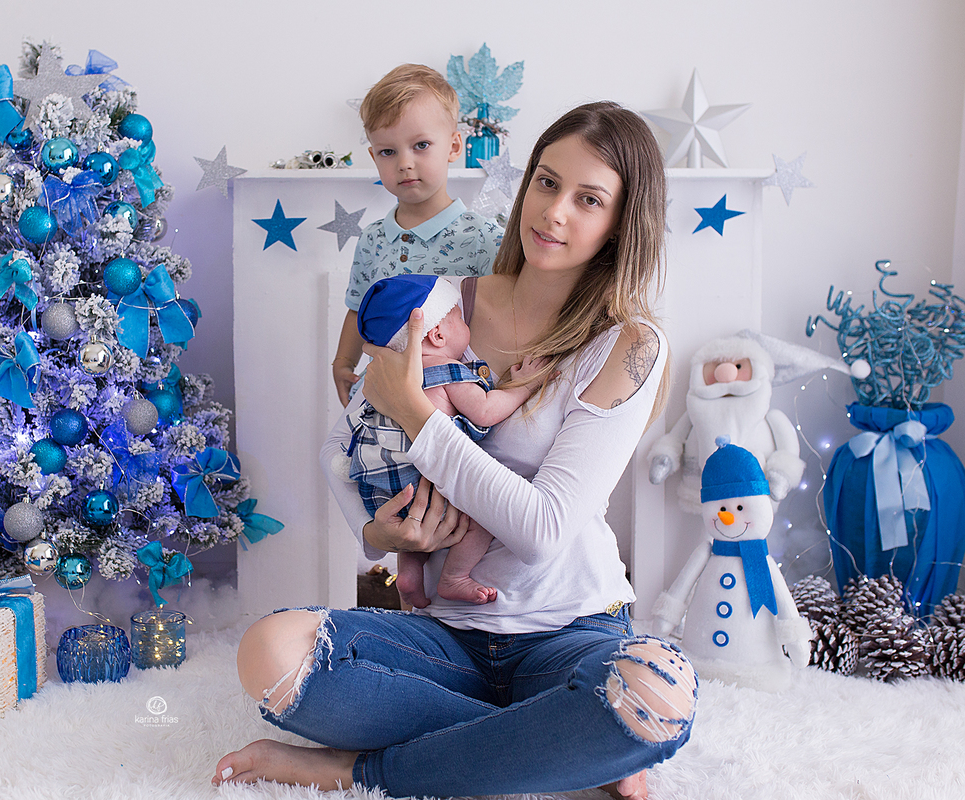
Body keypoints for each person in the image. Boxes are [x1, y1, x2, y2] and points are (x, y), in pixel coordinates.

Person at [215, 101, 697, 800]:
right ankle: (554, 743)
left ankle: (361, 771)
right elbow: (346, 438)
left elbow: (542, 530)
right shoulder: (441, 303)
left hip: (573, 630)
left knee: (656, 690)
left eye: (588, 199)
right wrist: (377, 533)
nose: (554, 212)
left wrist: (418, 413)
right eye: (546, 182)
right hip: (446, 637)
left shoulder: (628, 343)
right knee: (270, 652)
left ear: (623, 222)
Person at [345, 273, 551, 608]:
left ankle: (409, 577)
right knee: (485, 518)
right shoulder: (448, 370)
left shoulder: (386, 378)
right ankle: (454, 577)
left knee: (410, 528)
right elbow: (484, 411)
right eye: (458, 317)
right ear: (438, 334)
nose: (465, 322)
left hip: (378, 487)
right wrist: (524, 386)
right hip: (420, 477)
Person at [332, 64, 503, 407]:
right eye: (388, 151)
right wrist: (343, 363)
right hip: (380, 393)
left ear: (454, 145)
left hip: (456, 396)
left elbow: (503, 319)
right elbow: (358, 309)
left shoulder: (485, 238)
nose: (404, 163)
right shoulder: (373, 239)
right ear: (374, 157)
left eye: (421, 145)